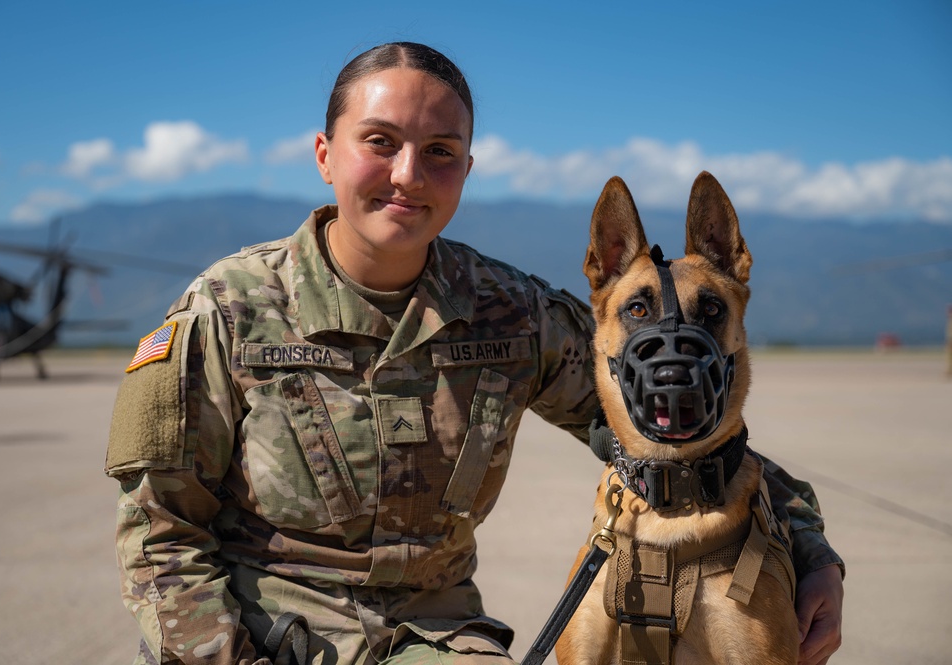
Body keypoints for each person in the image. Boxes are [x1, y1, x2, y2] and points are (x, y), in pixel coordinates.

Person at [105, 42, 843, 665]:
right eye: (379, 141)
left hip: (431, 632)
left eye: (438, 152)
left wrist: (809, 551)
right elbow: (160, 532)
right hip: (262, 629)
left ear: (464, 169)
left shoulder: (511, 312)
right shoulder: (226, 311)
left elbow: (669, 439)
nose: (407, 174)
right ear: (325, 154)